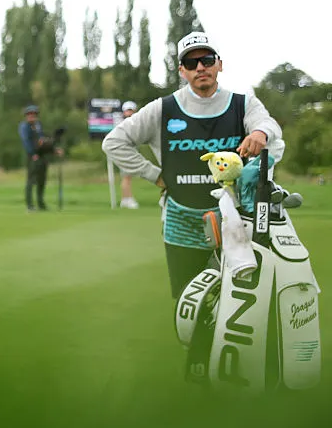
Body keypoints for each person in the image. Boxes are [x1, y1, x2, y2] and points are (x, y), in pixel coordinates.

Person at [102, 32, 284, 300]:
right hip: (181, 221)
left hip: (235, 221)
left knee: (239, 302)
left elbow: (270, 126)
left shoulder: (242, 103)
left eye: (207, 60)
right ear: (182, 71)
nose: (200, 67)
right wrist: (154, 175)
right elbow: (114, 142)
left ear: (219, 64)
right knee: (187, 303)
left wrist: (259, 133)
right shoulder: (163, 108)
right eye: (191, 62)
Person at [18, 105, 61, 212]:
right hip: (32, 156)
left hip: (42, 156)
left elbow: (43, 140)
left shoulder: (38, 126)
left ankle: (41, 204)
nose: (32, 117)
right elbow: (26, 141)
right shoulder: (24, 127)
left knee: (42, 180)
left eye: (34, 115)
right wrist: (33, 153)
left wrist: (53, 150)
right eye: (30, 115)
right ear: (27, 116)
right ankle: (29, 205)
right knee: (31, 180)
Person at [118, 100, 140, 209]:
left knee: (128, 177)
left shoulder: (134, 123)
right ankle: (129, 199)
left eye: (131, 110)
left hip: (130, 151)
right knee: (126, 177)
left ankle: (125, 200)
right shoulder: (123, 124)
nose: (129, 113)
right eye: (127, 111)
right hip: (124, 152)